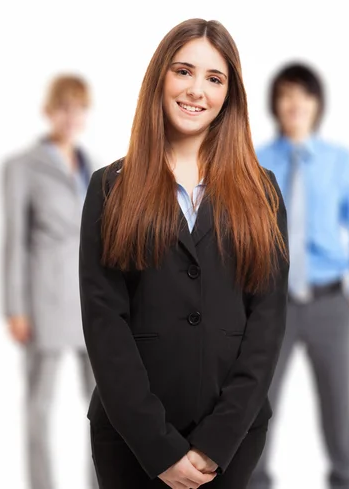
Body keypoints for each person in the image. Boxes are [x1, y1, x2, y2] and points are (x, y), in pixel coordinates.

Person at [79, 19, 289, 489]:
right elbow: (103, 323)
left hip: (232, 443)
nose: (197, 90)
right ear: (161, 78)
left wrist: (215, 444)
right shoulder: (110, 188)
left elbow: (267, 321)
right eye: (183, 72)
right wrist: (159, 449)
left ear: (229, 94)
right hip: (130, 443)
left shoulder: (264, 192)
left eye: (214, 79)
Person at [248, 63, 349, 489]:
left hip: (329, 301)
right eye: (285, 95)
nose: (294, 104)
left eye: (303, 95)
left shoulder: (341, 161)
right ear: (275, 105)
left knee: (337, 401)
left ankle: (344, 477)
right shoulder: (255, 159)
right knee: (257, 402)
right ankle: (254, 479)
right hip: (271, 302)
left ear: (317, 104)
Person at [1, 74, 97, 489]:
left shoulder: (91, 167)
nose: (71, 116)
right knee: (39, 409)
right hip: (45, 302)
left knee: (104, 408)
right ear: (49, 110)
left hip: (92, 303)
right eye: (64, 107)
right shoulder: (22, 167)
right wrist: (15, 307)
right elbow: (14, 240)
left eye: (78, 108)